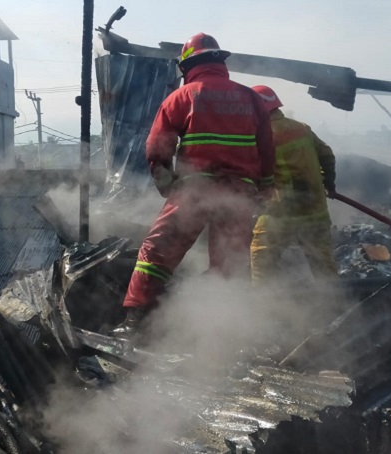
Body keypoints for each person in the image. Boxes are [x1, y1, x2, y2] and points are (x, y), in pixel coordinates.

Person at [112, 33, 275, 339]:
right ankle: (224, 333)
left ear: (188, 66)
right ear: (220, 62)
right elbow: (266, 151)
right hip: (239, 195)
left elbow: (157, 148)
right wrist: (264, 190)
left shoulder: (182, 96)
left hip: (195, 191)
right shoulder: (251, 98)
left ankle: (134, 325)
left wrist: (168, 186)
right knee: (229, 263)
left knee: (156, 254)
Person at [249, 85, 338, 286]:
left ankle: (260, 304)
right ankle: (336, 307)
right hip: (315, 210)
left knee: (262, 256)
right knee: (324, 268)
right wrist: (328, 183)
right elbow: (327, 155)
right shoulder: (302, 128)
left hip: (279, 213)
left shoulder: (259, 136)